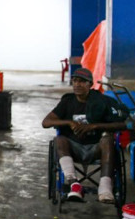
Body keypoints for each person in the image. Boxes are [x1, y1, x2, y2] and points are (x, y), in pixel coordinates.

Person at [42, 67, 128, 203]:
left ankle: (105, 188)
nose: (77, 84)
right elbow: (46, 122)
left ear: (90, 84)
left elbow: (123, 125)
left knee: (108, 140)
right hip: (73, 148)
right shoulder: (67, 102)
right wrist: (69, 122)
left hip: (96, 147)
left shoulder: (102, 102)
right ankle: (73, 183)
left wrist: (95, 126)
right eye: (75, 81)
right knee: (59, 139)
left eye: (82, 81)